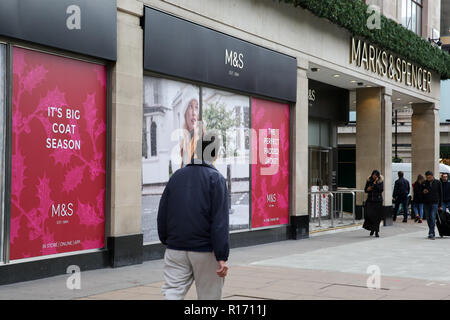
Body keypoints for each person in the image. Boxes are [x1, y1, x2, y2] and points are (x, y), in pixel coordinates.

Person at [157, 132, 229, 300]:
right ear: (216, 153)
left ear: (196, 150)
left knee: (172, 292)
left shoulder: (176, 176)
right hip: (205, 250)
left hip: (175, 248)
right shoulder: (216, 179)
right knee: (209, 296)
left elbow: (163, 213)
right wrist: (222, 256)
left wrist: (167, 240)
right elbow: (219, 222)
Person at [422, 171, 442, 240]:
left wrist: (440, 205)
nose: (428, 179)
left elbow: (440, 193)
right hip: (426, 202)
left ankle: (431, 233)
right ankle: (431, 231)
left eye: (429, 177)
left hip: (435, 202)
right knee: (428, 218)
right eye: (427, 177)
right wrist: (423, 192)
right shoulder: (424, 183)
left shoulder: (438, 182)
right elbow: (420, 192)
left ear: (432, 176)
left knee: (433, 217)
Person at [363, 170, 384, 237]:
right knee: (369, 215)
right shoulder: (369, 180)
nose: (374, 176)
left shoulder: (380, 181)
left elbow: (381, 189)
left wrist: (375, 184)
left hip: (378, 201)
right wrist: (369, 188)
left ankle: (376, 231)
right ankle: (372, 228)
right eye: (374, 175)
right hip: (370, 201)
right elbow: (365, 190)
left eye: (376, 175)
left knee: (377, 217)